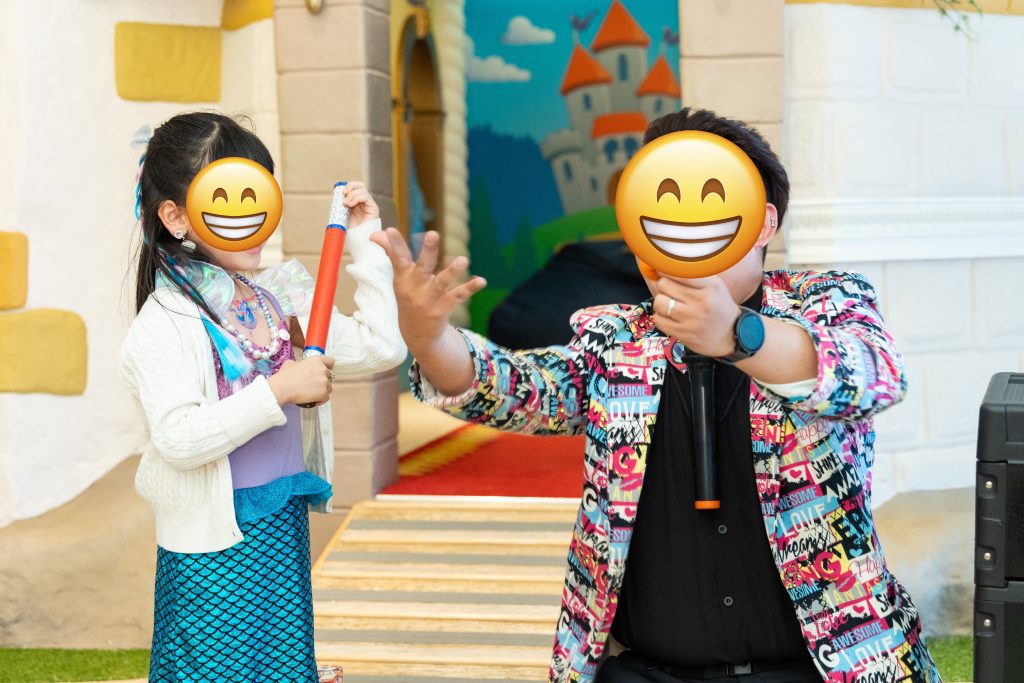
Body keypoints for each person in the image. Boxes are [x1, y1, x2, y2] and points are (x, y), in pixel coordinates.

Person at [372, 108, 941, 682]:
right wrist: (430, 337)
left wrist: (737, 335)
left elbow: (873, 373)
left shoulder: (826, 300)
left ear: (763, 222)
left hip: (824, 666)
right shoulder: (615, 336)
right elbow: (517, 389)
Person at [119, 112, 405, 682]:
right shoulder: (165, 320)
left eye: (258, 194)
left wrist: (364, 241)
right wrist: (281, 388)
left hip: (281, 526)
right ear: (175, 216)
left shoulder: (277, 297)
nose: (250, 219)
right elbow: (178, 440)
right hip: (211, 550)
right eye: (225, 200)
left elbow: (382, 347)